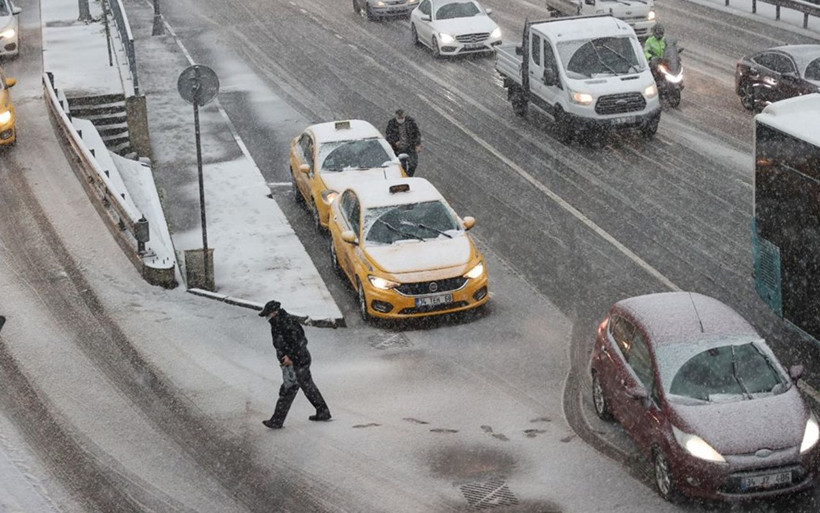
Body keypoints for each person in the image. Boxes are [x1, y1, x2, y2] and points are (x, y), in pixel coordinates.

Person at [259, 300, 331, 429]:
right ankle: (322, 411)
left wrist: (290, 357)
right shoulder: (277, 322)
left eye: (268, 315)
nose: (267, 318)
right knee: (307, 386)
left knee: (288, 390)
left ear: (274, 313)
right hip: (297, 360)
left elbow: (301, 341)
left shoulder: (287, 322)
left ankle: (277, 421)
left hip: (298, 360)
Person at [385, 109, 422, 177]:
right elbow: (388, 136)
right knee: (402, 165)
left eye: (402, 117)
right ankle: (404, 177)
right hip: (398, 149)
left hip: (410, 146)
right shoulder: (392, 124)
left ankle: (408, 176)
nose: (401, 119)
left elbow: (417, 134)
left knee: (413, 164)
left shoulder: (410, 122)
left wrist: (417, 144)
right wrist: (395, 142)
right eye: (399, 118)